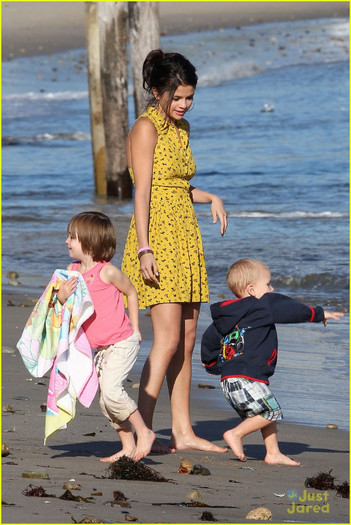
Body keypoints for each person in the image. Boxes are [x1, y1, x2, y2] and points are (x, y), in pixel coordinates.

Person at [121, 49, 228, 454]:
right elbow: (143, 190)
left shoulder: (182, 129)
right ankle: (142, 429)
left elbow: (178, 184)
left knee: (185, 339)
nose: (183, 105)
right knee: (165, 340)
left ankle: (182, 432)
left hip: (185, 234)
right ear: (156, 90)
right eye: (176, 97)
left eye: (189, 98)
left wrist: (210, 196)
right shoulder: (146, 128)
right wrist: (145, 248)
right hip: (157, 239)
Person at [201, 258, 344, 465]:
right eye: (268, 284)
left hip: (229, 380)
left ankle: (273, 452)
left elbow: (209, 340)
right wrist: (317, 313)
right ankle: (235, 434)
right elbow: (288, 309)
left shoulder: (226, 315)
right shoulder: (261, 306)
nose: (272, 288)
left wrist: (211, 365)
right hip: (247, 377)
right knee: (271, 411)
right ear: (251, 290)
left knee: (265, 411)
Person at [58, 211, 155, 462]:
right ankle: (128, 446)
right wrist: (61, 296)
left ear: (89, 242)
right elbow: (60, 305)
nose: (67, 241)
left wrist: (135, 327)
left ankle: (144, 432)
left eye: (72, 237)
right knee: (105, 402)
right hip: (99, 349)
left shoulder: (108, 272)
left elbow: (131, 292)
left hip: (122, 341)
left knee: (112, 392)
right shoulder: (72, 271)